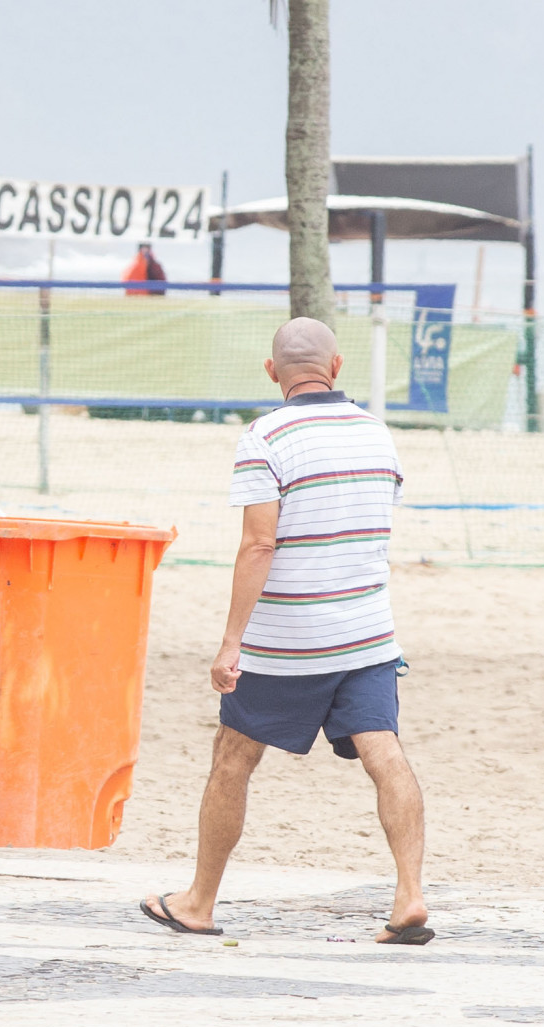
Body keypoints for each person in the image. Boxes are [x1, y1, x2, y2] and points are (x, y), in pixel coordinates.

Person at [142, 317, 431, 945]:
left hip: (289, 638)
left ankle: (198, 902)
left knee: (233, 758)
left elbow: (259, 543)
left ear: (272, 372)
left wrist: (230, 642)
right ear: (338, 365)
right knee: (385, 752)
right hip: (368, 631)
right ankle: (409, 893)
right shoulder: (378, 435)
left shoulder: (264, 437)